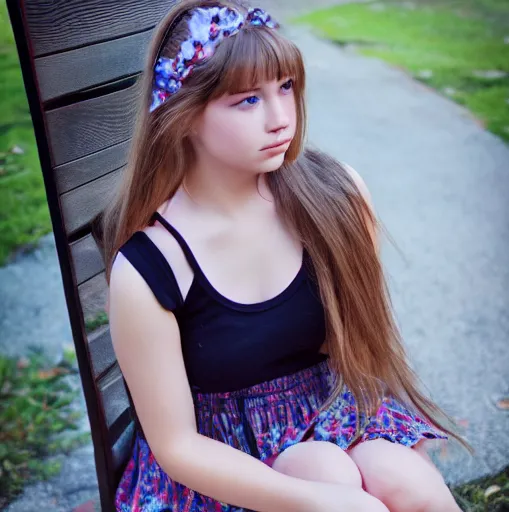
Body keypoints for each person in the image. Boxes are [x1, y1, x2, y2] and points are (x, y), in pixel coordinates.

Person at [96, 1, 468, 510]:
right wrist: (316, 500)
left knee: (408, 483)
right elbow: (177, 447)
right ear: (183, 117)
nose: (280, 119)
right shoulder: (152, 268)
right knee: (325, 476)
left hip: (329, 411)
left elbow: (358, 354)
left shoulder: (334, 197)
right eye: (247, 100)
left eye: (286, 87)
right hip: (221, 462)